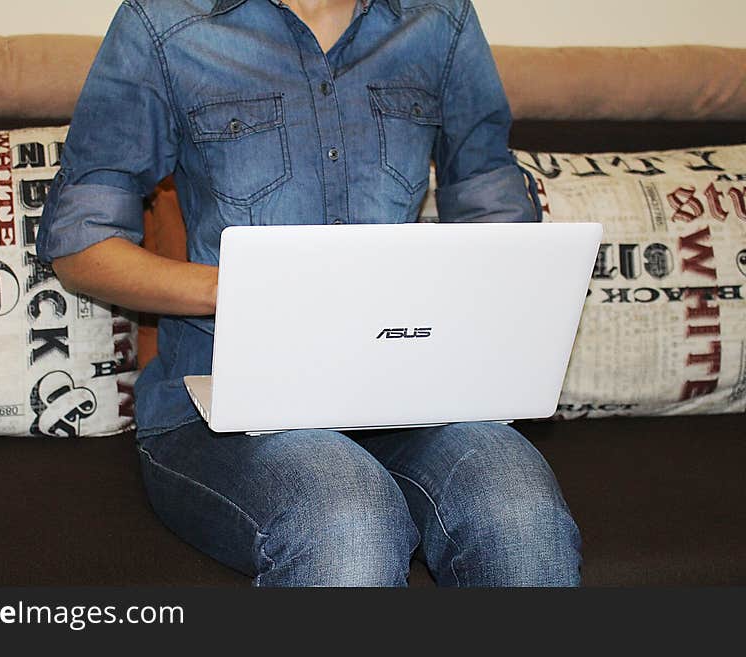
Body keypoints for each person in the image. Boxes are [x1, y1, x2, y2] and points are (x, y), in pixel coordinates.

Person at [36, 0, 582, 586]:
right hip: (221, 405)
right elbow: (81, 244)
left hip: (409, 396)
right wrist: (252, 289)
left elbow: (492, 205)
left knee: (522, 515)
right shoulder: (163, 22)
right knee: (344, 520)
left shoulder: (440, 20)